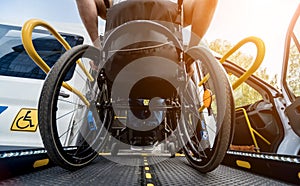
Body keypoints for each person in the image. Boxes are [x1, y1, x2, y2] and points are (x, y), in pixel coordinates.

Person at [76, 0, 218, 48]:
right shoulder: (175, 8)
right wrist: (190, 52)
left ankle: (99, 49)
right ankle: (189, 55)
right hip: (166, 45)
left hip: (119, 44)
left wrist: (97, 46)